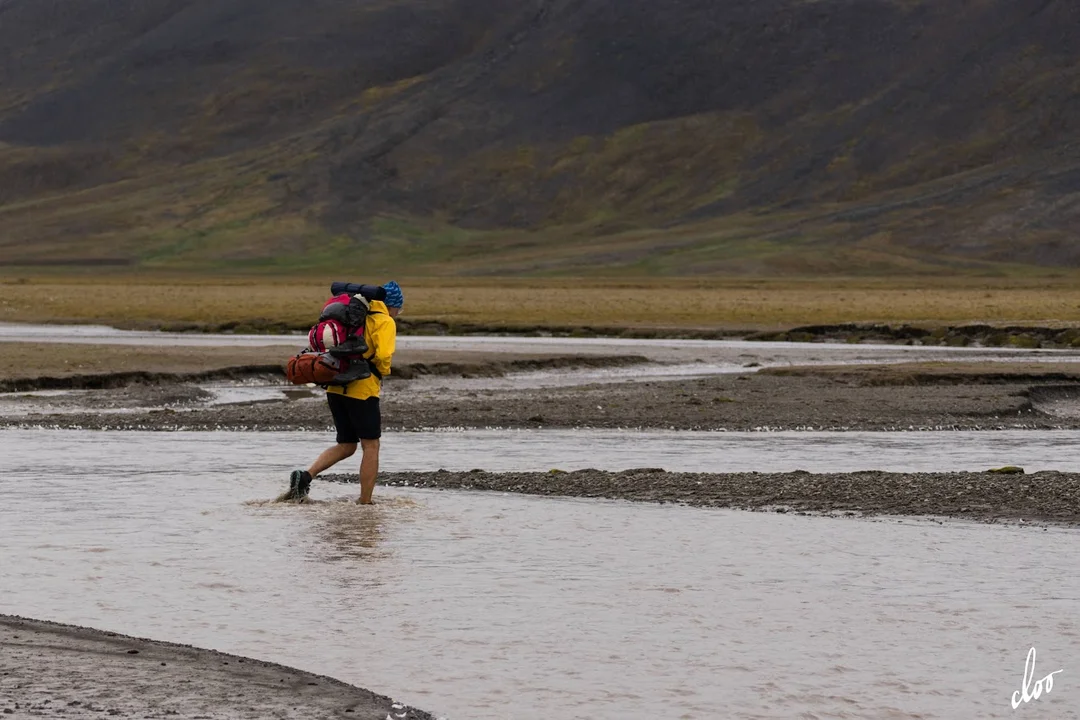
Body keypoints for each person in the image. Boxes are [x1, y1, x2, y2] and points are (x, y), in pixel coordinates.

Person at [283, 280, 403, 505]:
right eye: (399, 308)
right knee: (371, 445)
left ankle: (305, 476)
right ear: (392, 305)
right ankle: (365, 503)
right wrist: (382, 372)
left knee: (347, 444)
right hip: (362, 390)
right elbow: (384, 356)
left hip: (335, 385)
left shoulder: (351, 315)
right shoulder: (384, 321)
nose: (399, 313)